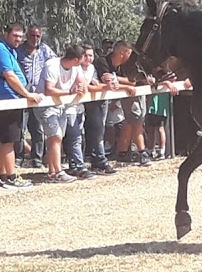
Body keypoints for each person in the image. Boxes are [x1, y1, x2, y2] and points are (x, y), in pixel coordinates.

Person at [0, 24, 43, 189]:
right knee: (9, 141)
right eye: (15, 36)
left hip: (11, 100)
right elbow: (10, 76)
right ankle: (11, 177)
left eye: (20, 36)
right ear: (6, 34)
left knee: (5, 140)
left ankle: (3, 175)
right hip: (7, 100)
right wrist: (27, 94)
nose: (18, 39)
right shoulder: (0, 50)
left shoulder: (9, 51)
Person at [34, 45, 88, 182]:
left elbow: (82, 83)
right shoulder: (52, 65)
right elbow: (49, 90)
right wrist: (70, 92)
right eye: (82, 58)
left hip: (61, 106)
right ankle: (58, 172)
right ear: (76, 59)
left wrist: (82, 87)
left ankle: (52, 172)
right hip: (46, 105)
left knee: (55, 138)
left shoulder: (76, 68)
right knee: (56, 136)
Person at [94, 41, 149, 166]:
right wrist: (125, 86)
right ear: (122, 53)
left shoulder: (125, 66)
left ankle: (124, 154)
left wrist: (118, 80)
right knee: (99, 131)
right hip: (96, 102)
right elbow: (108, 82)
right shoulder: (102, 62)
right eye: (129, 53)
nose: (131, 56)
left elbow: (132, 81)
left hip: (111, 102)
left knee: (131, 121)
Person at [16, 25, 56, 168]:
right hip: (23, 93)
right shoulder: (18, 51)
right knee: (21, 127)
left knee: (38, 128)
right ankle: (18, 158)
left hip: (39, 95)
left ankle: (37, 158)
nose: (35, 39)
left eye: (38, 36)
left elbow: (55, 64)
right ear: (28, 36)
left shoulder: (45, 50)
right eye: (33, 36)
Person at [80, 44, 118, 175]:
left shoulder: (91, 68)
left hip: (97, 101)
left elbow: (95, 82)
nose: (88, 58)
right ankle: (97, 160)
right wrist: (105, 87)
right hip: (83, 105)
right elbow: (86, 86)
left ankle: (98, 160)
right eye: (85, 55)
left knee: (98, 130)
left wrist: (103, 84)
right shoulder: (77, 69)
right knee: (93, 131)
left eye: (90, 55)